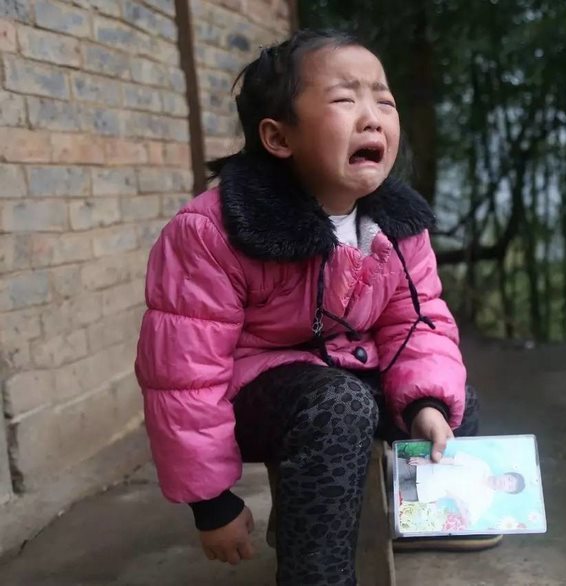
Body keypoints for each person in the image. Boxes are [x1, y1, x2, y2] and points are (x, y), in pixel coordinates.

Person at [134, 29, 481, 586]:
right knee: (338, 409)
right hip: (256, 394)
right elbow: (183, 377)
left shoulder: (396, 222)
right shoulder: (213, 231)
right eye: (345, 100)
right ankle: (317, 572)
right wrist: (212, 503)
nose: (372, 117)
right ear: (278, 137)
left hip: (344, 370)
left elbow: (417, 322)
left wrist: (426, 404)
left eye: (383, 101)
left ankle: (430, 513)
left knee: (449, 396)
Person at [398, 453, 525, 525]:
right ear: (505, 474)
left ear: (507, 492)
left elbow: (468, 521)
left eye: (510, 487)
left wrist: (457, 499)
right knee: (386, 468)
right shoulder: (482, 466)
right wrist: (427, 461)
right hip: (421, 468)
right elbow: (453, 460)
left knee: (390, 495)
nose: (505, 483)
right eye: (509, 479)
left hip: (424, 491)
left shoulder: (485, 500)